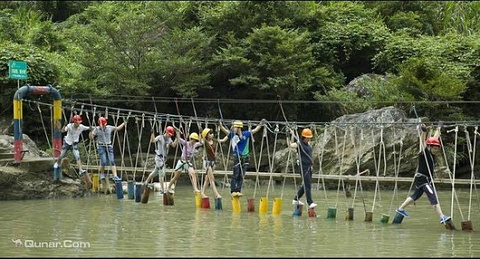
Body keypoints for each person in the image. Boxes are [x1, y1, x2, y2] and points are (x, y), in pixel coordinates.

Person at [396, 122, 451, 225]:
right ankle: (441, 216)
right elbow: (422, 142)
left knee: (415, 196)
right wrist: (423, 132)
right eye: (434, 148)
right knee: (432, 196)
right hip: (423, 179)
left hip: (424, 179)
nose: (435, 150)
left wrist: (439, 127)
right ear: (429, 147)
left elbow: (435, 137)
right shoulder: (424, 153)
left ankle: (400, 209)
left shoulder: (432, 153)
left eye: (437, 148)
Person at [219, 119, 265, 197]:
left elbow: (255, 130)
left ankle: (238, 190)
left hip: (246, 157)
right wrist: (220, 125)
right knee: (236, 174)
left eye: (235, 127)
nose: (233, 128)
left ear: (239, 128)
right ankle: (233, 190)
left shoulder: (246, 134)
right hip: (237, 156)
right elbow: (225, 131)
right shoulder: (233, 135)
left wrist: (261, 124)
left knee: (241, 175)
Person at [55, 114, 92, 188]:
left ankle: (80, 170)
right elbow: (62, 131)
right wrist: (64, 125)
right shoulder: (69, 126)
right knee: (62, 155)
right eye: (77, 123)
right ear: (74, 122)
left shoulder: (81, 127)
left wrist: (93, 128)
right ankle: (57, 164)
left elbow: (89, 128)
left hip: (74, 143)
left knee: (77, 156)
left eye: (79, 122)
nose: (78, 124)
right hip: (67, 142)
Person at [89, 116, 126, 184]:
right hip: (101, 146)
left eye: (104, 125)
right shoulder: (96, 129)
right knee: (103, 161)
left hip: (109, 146)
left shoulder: (109, 127)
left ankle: (115, 176)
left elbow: (117, 128)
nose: (103, 126)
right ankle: (101, 173)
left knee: (112, 161)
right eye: (102, 125)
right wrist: (91, 131)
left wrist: (124, 123)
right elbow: (91, 138)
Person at [287, 128, 317, 209]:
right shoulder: (299, 144)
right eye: (307, 138)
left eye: (310, 138)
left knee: (306, 185)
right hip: (303, 167)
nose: (309, 139)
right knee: (307, 185)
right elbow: (290, 145)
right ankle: (310, 202)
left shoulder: (308, 145)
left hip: (309, 167)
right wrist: (289, 136)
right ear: (303, 137)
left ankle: (296, 199)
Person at [165, 129, 203, 194]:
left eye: (194, 140)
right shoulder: (186, 143)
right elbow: (179, 139)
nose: (193, 141)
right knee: (175, 177)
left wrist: (200, 134)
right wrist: (178, 132)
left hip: (188, 163)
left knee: (193, 174)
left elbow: (202, 143)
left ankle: (195, 189)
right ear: (190, 139)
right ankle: (168, 187)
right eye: (192, 139)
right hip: (181, 162)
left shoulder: (195, 145)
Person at [143, 126, 178, 193]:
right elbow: (152, 141)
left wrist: (177, 137)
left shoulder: (169, 139)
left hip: (163, 159)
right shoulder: (160, 137)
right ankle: (162, 190)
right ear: (166, 132)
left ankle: (146, 182)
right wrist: (152, 133)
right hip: (159, 158)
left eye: (170, 135)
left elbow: (173, 145)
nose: (169, 136)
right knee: (162, 174)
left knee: (155, 171)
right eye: (169, 134)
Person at [198, 126, 228, 199]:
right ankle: (216, 194)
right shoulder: (205, 142)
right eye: (210, 133)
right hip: (207, 162)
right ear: (207, 135)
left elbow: (223, 140)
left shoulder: (214, 141)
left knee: (207, 180)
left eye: (212, 133)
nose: (212, 134)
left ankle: (202, 193)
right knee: (212, 179)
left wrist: (229, 133)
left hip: (213, 162)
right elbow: (200, 141)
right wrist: (200, 133)